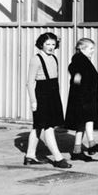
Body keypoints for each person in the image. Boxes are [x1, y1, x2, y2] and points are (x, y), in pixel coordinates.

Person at [24, 32, 71, 169]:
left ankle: (30, 156)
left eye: (53, 44)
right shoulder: (36, 59)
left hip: (53, 94)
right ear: (41, 44)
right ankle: (58, 158)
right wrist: (33, 101)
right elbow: (30, 82)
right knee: (48, 127)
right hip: (41, 95)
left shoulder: (54, 58)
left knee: (38, 126)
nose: (51, 47)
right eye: (47, 44)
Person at [64, 38, 98, 161]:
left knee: (82, 124)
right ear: (82, 49)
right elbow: (73, 67)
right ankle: (92, 144)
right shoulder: (79, 58)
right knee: (87, 120)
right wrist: (76, 74)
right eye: (90, 48)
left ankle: (77, 151)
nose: (93, 51)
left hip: (87, 96)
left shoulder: (84, 60)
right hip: (83, 97)